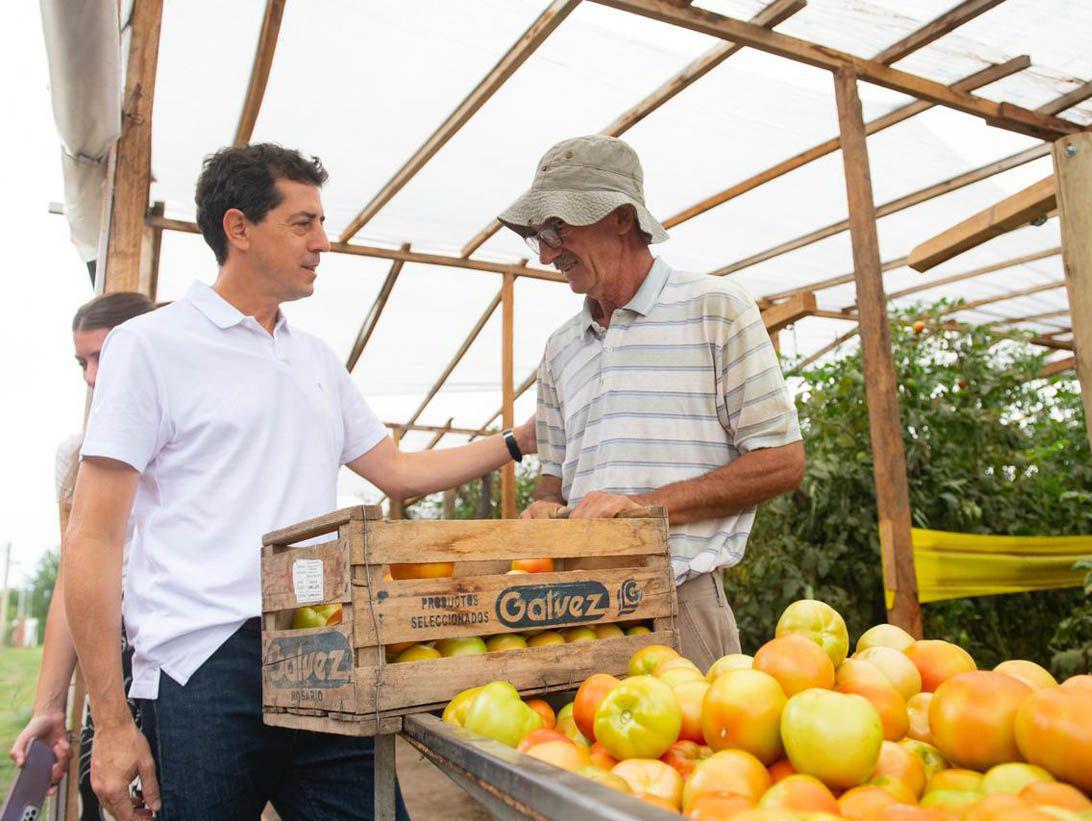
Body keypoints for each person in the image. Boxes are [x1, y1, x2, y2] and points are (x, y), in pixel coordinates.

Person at [61, 143, 536, 821]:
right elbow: (94, 536)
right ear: (239, 228)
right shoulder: (150, 344)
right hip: (202, 664)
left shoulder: (314, 358)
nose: (324, 241)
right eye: (303, 222)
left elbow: (396, 469)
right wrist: (110, 722)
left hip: (319, 648)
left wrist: (517, 441)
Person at [501, 135, 804, 672]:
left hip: (680, 599)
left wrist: (645, 509)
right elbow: (554, 481)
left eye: (556, 229)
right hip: (574, 613)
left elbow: (780, 463)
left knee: (709, 751)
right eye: (538, 236)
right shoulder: (560, 349)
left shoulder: (716, 308)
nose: (547, 253)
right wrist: (544, 506)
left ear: (621, 218)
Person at [9, 291, 156, 819]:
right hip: (111, 676)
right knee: (102, 801)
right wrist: (49, 708)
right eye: (83, 362)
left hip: (181, 668)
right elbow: (74, 583)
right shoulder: (75, 454)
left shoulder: (191, 442)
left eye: (105, 356)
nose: (92, 376)